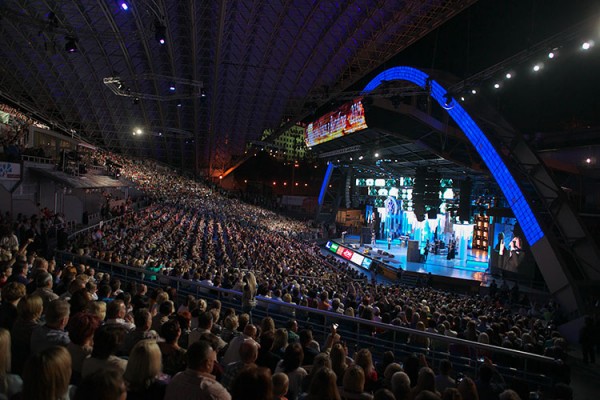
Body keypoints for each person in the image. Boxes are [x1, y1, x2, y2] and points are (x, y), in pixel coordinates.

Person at [164, 340, 231, 400]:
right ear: (207, 363)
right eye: (213, 361)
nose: (214, 364)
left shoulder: (176, 379)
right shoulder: (215, 392)